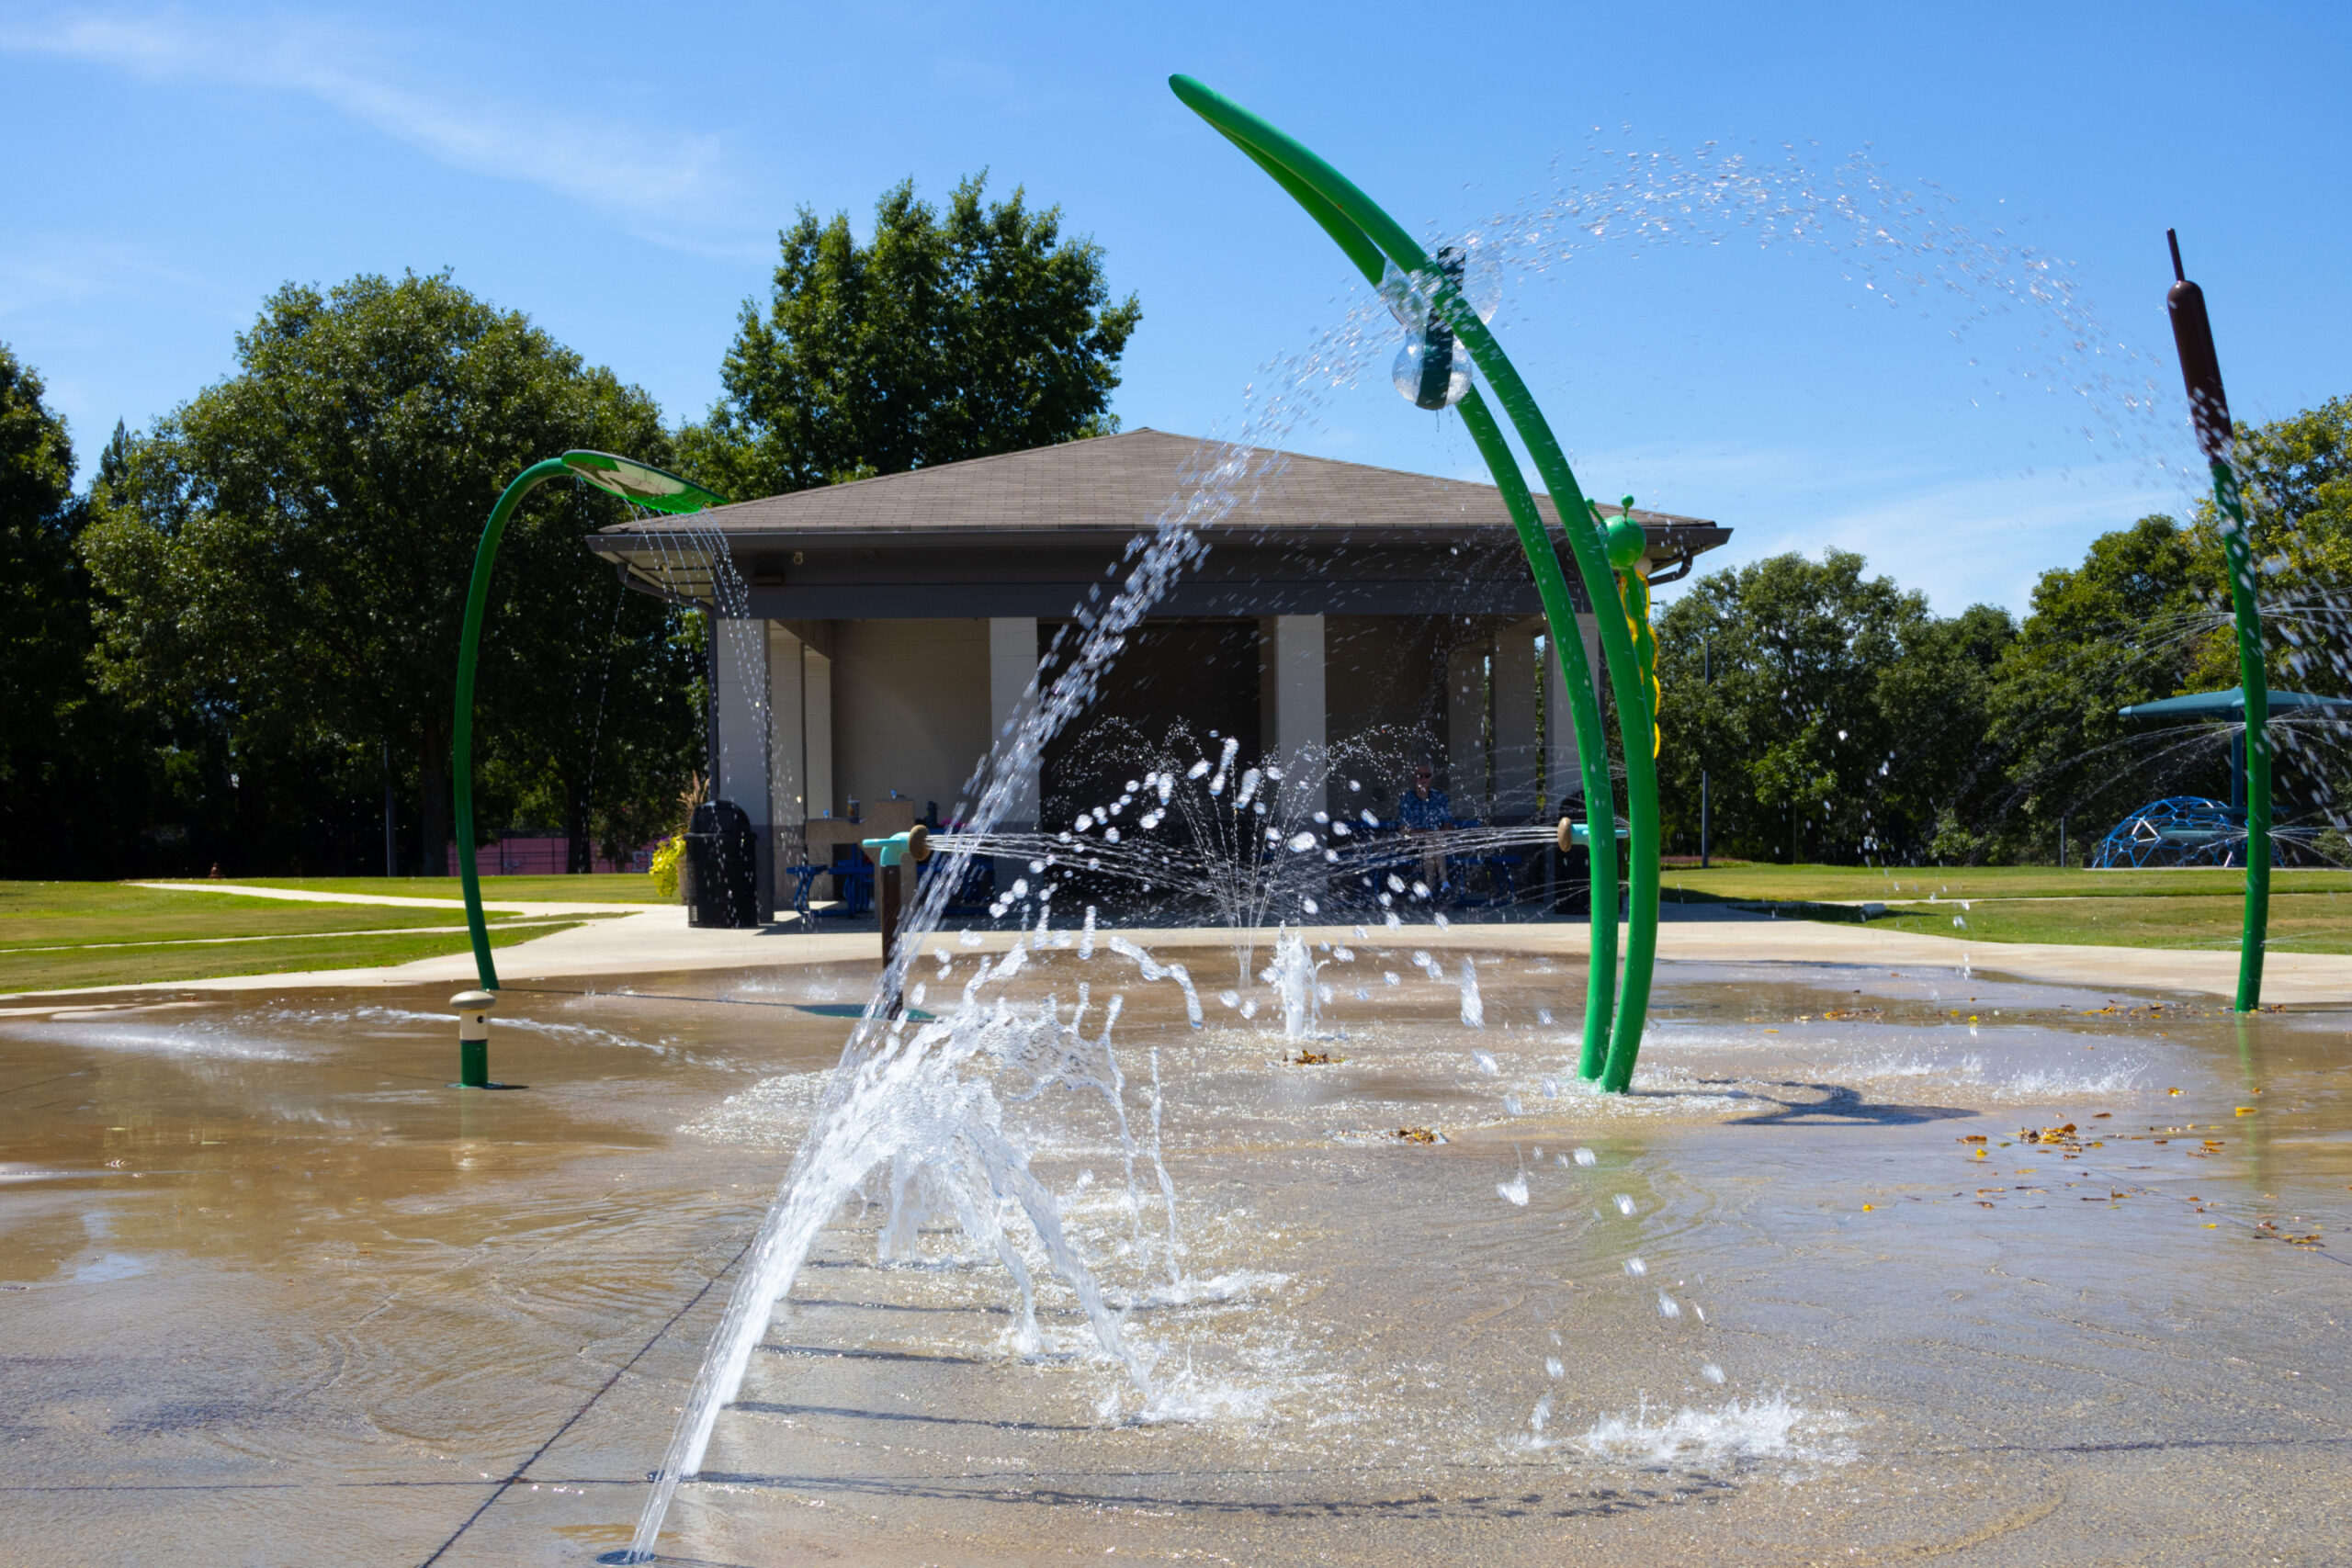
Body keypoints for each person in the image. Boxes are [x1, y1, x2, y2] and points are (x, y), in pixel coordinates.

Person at [1398, 763, 1451, 897]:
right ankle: (1444, 882)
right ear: (1414, 777)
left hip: (1436, 841)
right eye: (1420, 775)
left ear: (1431, 777)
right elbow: (1403, 829)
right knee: (1432, 840)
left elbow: (1448, 824)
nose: (1423, 778)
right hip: (1415, 843)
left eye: (1427, 775)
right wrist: (1419, 833)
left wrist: (1438, 832)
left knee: (1433, 841)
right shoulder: (1407, 799)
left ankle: (1429, 888)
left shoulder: (1440, 798)